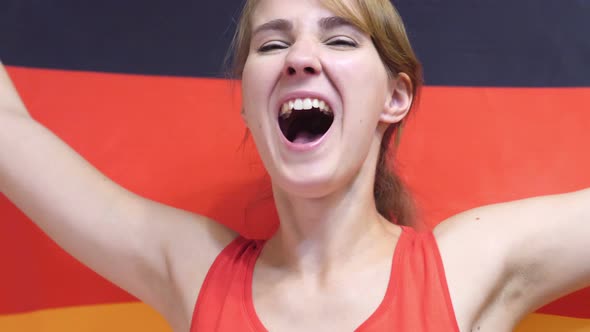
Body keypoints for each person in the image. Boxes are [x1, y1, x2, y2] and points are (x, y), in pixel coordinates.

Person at [1, 0, 589, 331]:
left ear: (395, 97)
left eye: (339, 41)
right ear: (249, 107)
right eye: (272, 44)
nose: (301, 57)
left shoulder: (468, 267)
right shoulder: (194, 271)